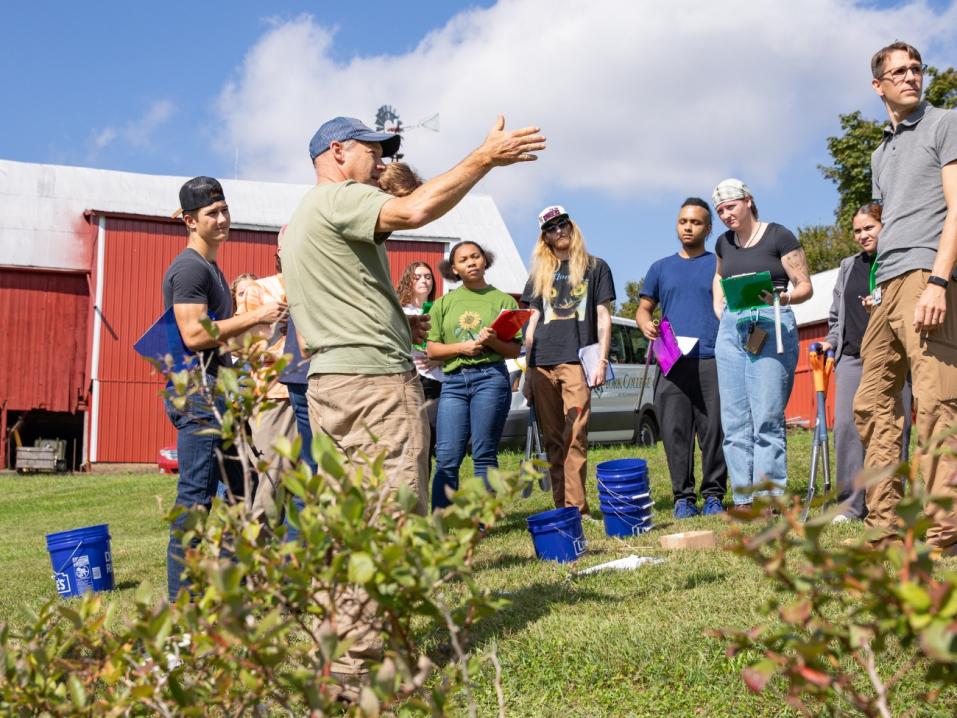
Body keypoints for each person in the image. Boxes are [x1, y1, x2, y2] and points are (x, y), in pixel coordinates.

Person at [281, 115, 544, 680]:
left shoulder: (296, 223)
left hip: (330, 382)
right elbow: (415, 210)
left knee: (349, 523)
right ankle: (361, 670)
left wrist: (394, 324)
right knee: (394, 519)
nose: (381, 163)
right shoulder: (339, 199)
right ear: (338, 151)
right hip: (374, 385)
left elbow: (322, 315)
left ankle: (342, 647)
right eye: (373, 152)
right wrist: (484, 158)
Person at [853, 41, 957, 552]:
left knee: (937, 404)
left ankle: (944, 534)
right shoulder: (879, 153)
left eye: (916, 68)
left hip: (925, 276)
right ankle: (884, 529)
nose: (911, 77)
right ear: (879, 85)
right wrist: (877, 288)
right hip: (886, 284)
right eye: (899, 72)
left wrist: (939, 280)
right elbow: (887, 222)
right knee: (871, 404)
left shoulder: (946, 123)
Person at [162, 176, 285, 603]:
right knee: (196, 503)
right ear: (189, 221)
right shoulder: (190, 268)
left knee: (242, 492)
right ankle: (183, 612)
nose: (222, 218)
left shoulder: (212, 268)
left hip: (221, 395)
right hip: (199, 399)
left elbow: (218, 338)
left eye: (224, 209)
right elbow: (195, 335)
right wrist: (255, 317)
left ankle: (233, 592)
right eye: (211, 213)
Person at [711, 179, 813, 506]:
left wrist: (782, 297)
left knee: (766, 415)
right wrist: (719, 309)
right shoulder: (723, 243)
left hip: (770, 320)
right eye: (720, 210)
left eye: (731, 206)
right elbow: (719, 277)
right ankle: (744, 499)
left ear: (748, 201)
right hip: (732, 324)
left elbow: (805, 285)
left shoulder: (778, 236)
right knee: (735, 419)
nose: (726, 215)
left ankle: (768, 499)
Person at [521, 205, 615, 517]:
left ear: (572, 227)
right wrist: (526, 372)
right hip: (541, 363)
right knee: (552, 440)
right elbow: (531, 319)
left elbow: (603, 315)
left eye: (563, 224)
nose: (559, 231)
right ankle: (561, 508)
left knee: (575, 435)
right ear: (544, 238)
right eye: (551, 228)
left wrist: (602, 360)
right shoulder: (539, 273)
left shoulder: (595, 266)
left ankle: (578, 509)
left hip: (576, 361)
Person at [822, 204, 914, 523]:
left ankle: (889, 502)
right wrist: (830, 342)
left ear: (884, 226)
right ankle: (850, 505)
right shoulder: (848, 267)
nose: (862, 235)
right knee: (848, 428)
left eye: (869, 228)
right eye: (857, 230)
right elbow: (836, 317)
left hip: (892, 359)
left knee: (891, 429)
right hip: (852, 357)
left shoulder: (899, 263)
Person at [637, 198, 727, 518]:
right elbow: (644, 308)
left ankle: (714, 495)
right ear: (677, 225)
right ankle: (683, 498)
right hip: (671, 360)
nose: (688, 227)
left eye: (696, 222)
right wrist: (645, 322)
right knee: (675, 431)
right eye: (683, 221)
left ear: (708, 228)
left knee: (713, 429)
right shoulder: (660, 268)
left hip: (712, 357)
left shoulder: (719, 263)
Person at [427, 241, 520, 510]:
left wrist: (492, 342)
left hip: (490, 378)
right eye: (463, 259)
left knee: (484, 453)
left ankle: (483, 520)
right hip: (453, 384)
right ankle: (441, 519)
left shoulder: (504, 301)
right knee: (446, 455)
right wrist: (462, 348)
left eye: (475, 256)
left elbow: (514, 350)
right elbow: (432, 350)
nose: (471, 262)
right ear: (453, 269)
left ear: (485, 260)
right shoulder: (443, 304)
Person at [397, 261, 443, 467]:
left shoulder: (439, 309)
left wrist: (438, 357)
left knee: (432, 439)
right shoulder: (399, 311)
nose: (424, 280)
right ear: (409, 280)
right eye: (418, 276)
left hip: (437, 380)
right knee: (415, 440)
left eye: (428, 276)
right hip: (410, 378)